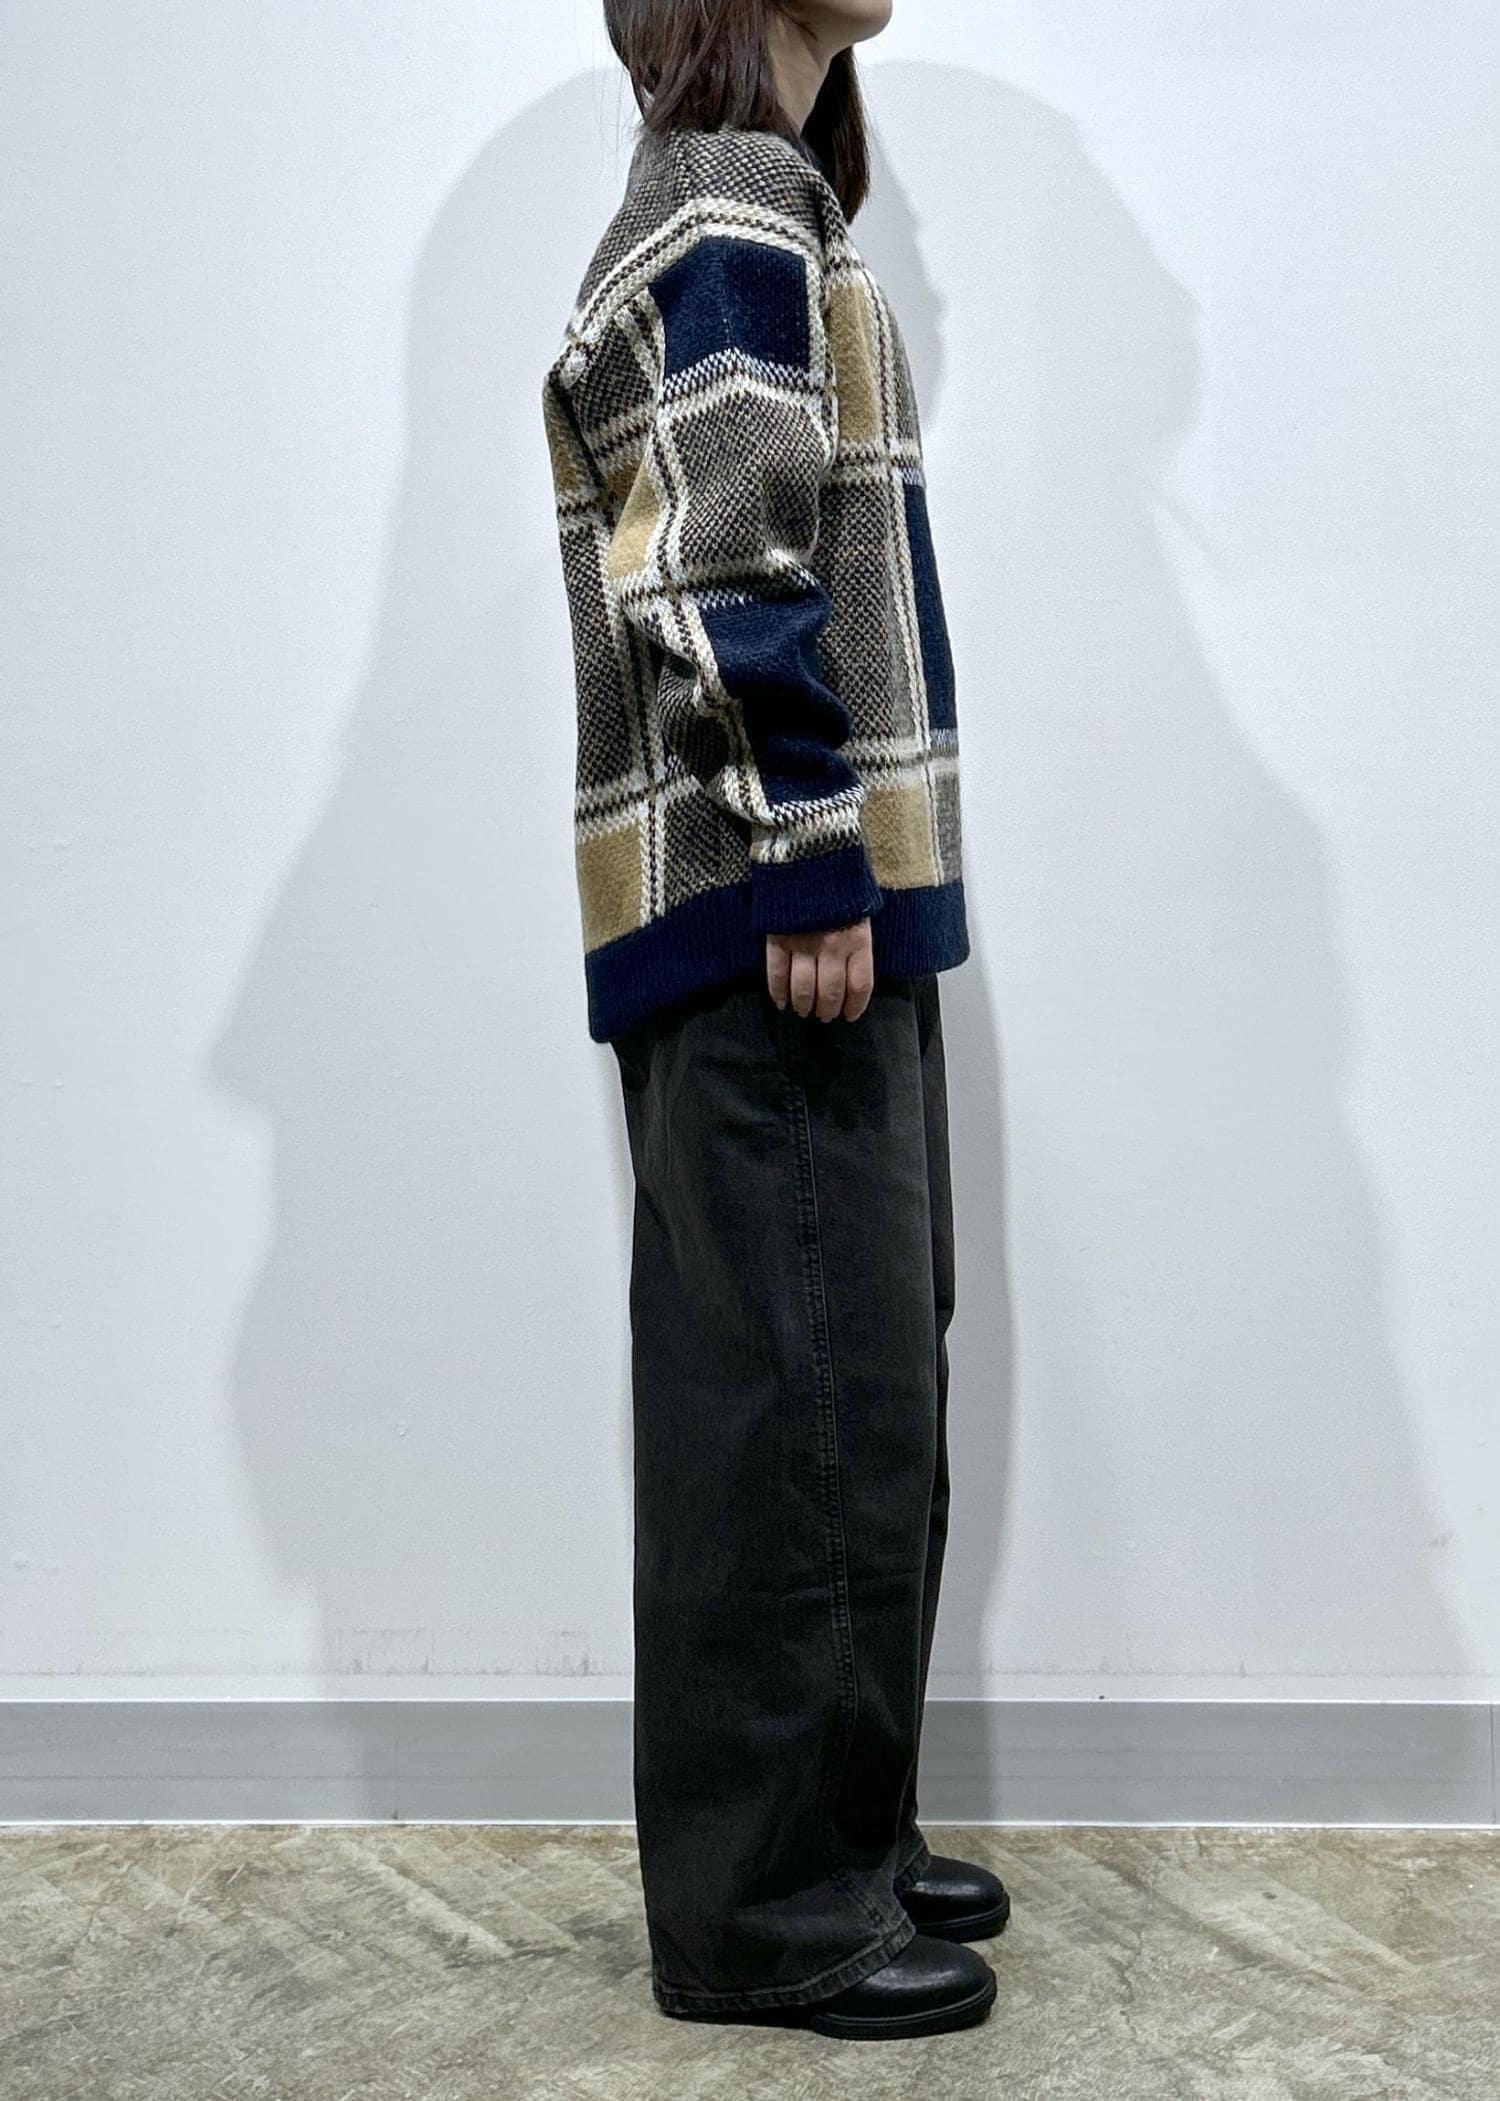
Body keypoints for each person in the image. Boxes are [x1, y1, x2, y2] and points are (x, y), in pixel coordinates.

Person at [541, 0, 1004, 2042]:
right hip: (769, 900)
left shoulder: (773, 202)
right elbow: (717, 560)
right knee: (796, 1411)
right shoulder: (728, 195)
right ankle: (767, 1915)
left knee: (857, 1395)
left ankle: (841, 1831)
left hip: (810, 898)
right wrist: (809, 847)